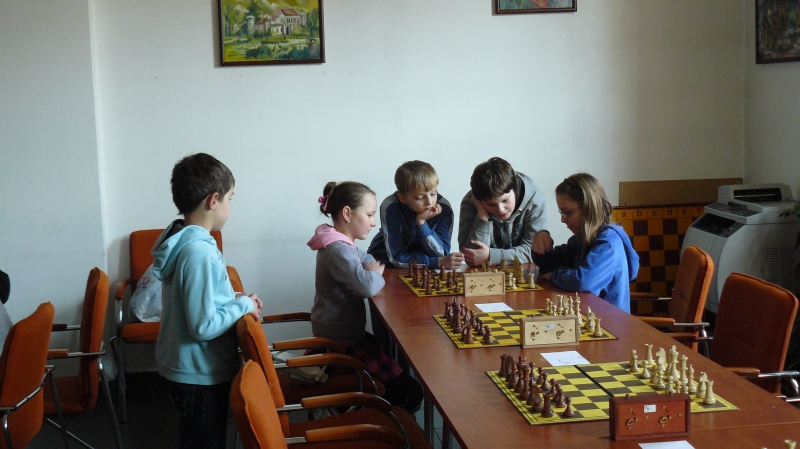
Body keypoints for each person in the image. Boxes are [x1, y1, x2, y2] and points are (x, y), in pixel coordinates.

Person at [152, 153, 262, 449]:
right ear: (214, 200)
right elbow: (202, 326)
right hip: (200, 374)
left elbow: (203, 301)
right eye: (230, 198)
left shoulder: (186, 243)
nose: (230, 207)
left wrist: (235, 298)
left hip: (191, 369)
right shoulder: (198, 253)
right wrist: (244, 306)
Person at [309, 181, 423, 413]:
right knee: (411, 392)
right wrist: (375, 275)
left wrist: (371, 270)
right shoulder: (338, 250)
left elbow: (367, 258)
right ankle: (368, 420)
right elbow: (367, 287)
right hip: (340, 343)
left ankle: (373, 416)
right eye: (370, 215)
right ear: (347, 213)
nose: (373, 222)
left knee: (402, 384)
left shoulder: (339, 243)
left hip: (346, 334)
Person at [532, 173, 639, 313]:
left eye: (567, 213)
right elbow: (550, 265)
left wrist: (555, 276)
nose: (562, 220)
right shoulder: (580, 240)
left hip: (609, 322)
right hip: (587, 315)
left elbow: (584, 282)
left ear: (588, 208)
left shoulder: (609, 244)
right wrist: (541, 248)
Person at [368, 160, 464, 269]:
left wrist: (422, 224)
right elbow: (395, 257)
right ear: (402, 198)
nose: (429, 202)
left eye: (433, 193)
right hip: (384, 265)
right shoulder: (391, 206)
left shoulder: (444, 208)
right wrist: (436, 262)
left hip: (423, 268)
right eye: (419, 198)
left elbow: (441, 253)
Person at [458, 157, 549, 266]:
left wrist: (491, 256)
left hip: (524, 270)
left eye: (505, 200)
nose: (500, 209)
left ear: (515, 189)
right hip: (487, 273)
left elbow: (536, 250)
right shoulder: (471, 203)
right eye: (491, 204)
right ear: (480, 200)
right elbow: (471, 255)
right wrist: (482, 215)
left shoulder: (534, 200)